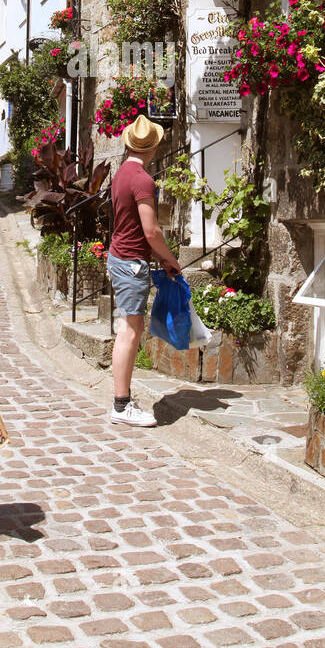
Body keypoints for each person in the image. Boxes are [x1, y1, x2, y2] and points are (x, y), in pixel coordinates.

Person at [105, 114, 180, 428]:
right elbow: (151, 231)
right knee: (129, 331)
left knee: (127, 328)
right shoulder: (143, 180)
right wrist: (171, 259)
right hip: (131, 265)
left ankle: (122, 401)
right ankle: (121, 405)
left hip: (119, 259)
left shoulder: (121, 174)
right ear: (154, 147)